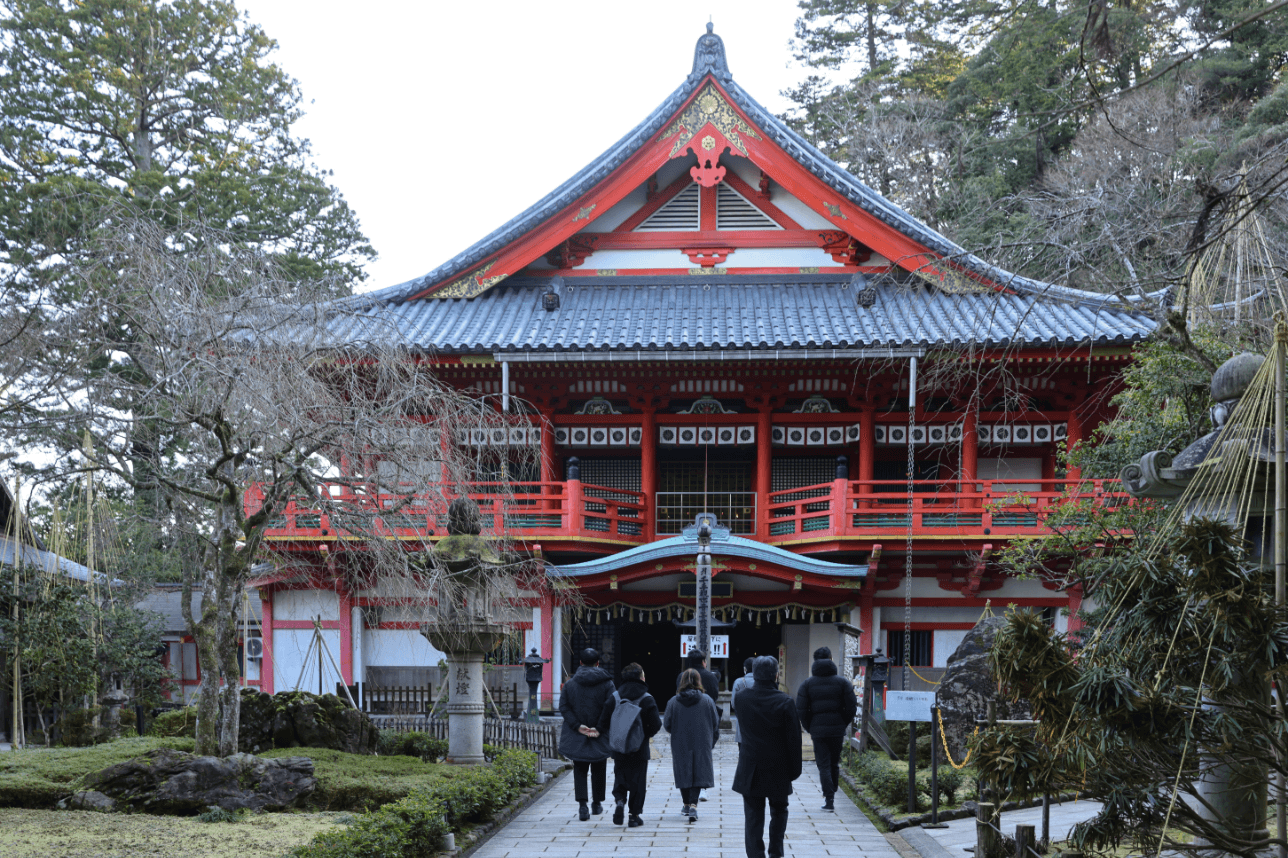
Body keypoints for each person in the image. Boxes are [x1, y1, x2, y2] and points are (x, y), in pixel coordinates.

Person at [732, 655, 802, 858]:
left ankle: (755, 855)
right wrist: (794, 770)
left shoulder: (742, 698)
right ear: (775, 675)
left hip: (750, 765)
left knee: (753, 815)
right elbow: (794, 740)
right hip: (778, 766)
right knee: (779, 811)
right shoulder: (785, 701)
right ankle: (775, 852)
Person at [597, 662, 662, 828]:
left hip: (619, 747)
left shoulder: (615, 697)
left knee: (620, 775)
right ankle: (634, 816)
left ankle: (619, 801)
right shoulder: (647, 698)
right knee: (638, 781)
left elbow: (603, 722)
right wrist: (645, 735)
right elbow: (655, 724)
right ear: (641, 678)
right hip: (640, 748)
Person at [795, 645, 859, 811]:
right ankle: (832, 791)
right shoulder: (843, 682)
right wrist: (842, 723)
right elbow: (852, 707)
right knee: (834, 763)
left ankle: (829, 798)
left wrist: (810, 727)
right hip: (837, 729)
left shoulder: (807, 684)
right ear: (831, 660)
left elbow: (801, 710)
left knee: (823, 764)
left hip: (818, 730)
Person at [559, 647, 615, 821]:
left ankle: (582, 806)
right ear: (598, 663)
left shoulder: (570, 684)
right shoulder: (607, 683)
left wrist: (577, 726)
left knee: (580, 769)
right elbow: (611, 706)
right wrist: (599, 727)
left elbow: (564, 707)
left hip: (578, 733)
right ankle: (597, 803)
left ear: (581, 663)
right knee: (599, 767)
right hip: (600, 732)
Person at [662, 667, 720, 823]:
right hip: (702, 741)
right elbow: (715, 723)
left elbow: (667, 724)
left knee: (683, 770)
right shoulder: (707, 700)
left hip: (680, 741)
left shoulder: (673, 702)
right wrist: (711, 740)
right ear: (698, 681)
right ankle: (694, 804)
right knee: (699, 770)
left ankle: (686, 804)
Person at [730, 656, 755, 744]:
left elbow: (733, 703)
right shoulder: (762, 681)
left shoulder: (738, 682)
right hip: (759, 723)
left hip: (742, 721)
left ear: (745, 668)